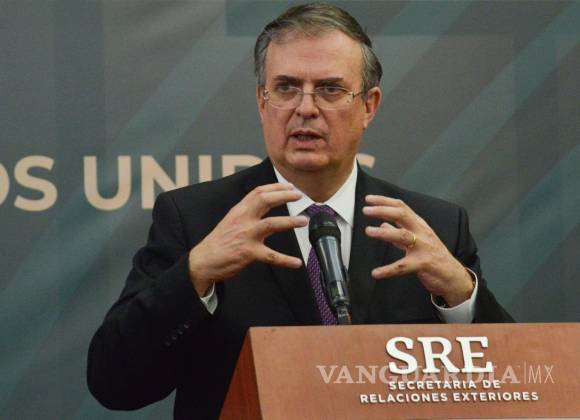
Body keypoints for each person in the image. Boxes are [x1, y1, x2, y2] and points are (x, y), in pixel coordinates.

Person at [87, 3, 513, 419]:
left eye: (329, 89)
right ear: (262, 101)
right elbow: (114, 384)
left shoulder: (432, 227)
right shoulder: (196, 219)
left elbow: (518, 386)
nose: (305, 108)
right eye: (286, 88)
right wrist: (194, 274)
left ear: (369, 105)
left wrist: (461, 297)